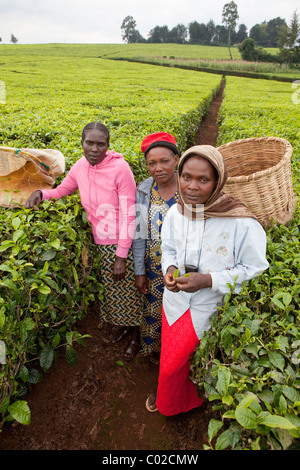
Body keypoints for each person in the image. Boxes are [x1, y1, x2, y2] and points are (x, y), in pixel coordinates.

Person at [145, 144, 269, 414]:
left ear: (217, 182)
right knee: (173, 357)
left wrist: (209, 280)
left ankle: (174, 403)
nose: (192, 186)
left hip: (206, 308)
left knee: (174, 363)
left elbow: (254, 267)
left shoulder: (240, 221)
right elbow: (168, 249)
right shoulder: (176, 213)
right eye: (187, 177)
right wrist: (170, 269)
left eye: (203, 179)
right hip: (175, 303)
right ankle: (179, 397)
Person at [25, 122, 142, 361]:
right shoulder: (80, 166)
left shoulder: (121, 169)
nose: (95, 148)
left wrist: (121, 255)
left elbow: (130, 214)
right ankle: (125, 327)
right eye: (90, 142)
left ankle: (136, 336)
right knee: (113, 291)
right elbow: (63, 190)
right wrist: (42, 193)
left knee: (128, 291)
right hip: (99, 239)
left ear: (108, 145)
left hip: (121, 242)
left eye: (101, 144)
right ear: (82, 143)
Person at [132, 132, 179, 364]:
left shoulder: (190, 186)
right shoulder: (143, 191)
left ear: (176, 160)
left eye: (164, 161)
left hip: (181, 267)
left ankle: (175, 353)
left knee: (178, 312)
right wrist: (140, 271)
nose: (158, 168)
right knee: (153, 311)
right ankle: (155, 352)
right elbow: (139, 233)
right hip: (152, 268)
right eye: (152, 163)